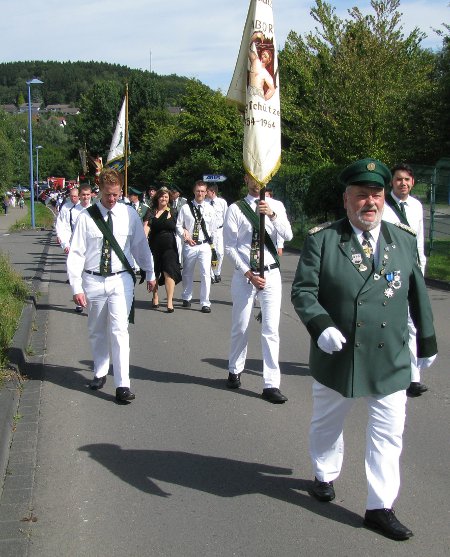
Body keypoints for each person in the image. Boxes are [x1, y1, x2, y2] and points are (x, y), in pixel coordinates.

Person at [291, 158, 437, 541]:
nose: (370, 202)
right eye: (361, 195)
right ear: (346, 200)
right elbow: (303, 290)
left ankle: (380, 506)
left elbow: (417, 293)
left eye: (376, 194)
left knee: (389, 434)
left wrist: (427, 339)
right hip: (339, 355)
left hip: (389, 356)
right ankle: (324, 473)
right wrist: (320, 325)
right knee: (327, 424)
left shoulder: (402, 239)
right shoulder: (323, 240)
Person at [67, 168, 156, 403]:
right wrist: (76, 286)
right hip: (93, 279)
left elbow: (140, 246)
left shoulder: (129, 215)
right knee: (97, 329)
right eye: (108, 194)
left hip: (120, 280)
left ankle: (123, 384)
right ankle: (99, 370)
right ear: (100, 191)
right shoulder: (86, 217)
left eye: (116, 194)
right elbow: (76, 254)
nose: (112, 199)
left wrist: (150, 272)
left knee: (120, 331)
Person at [223, 173, 293, 403]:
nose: (257, 183)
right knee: (241, 325)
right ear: (245, 180)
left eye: (260, 179)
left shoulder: (276, 205)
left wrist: (271, 215)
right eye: (252, 178)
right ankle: (235, 369)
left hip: (271, 273)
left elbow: (288, 235)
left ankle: (271, 384)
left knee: (271, 330)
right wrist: (248, 273)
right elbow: (230, 246)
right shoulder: (236, 208)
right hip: (246, 274)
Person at [382, 163, 428, 397]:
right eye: (399, 179)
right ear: (392, 182)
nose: (403, 183)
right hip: (388, 272)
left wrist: (421, 269)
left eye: (407, 180)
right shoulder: (383, 205)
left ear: (413, 182)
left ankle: (413, 377)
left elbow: (418, 241)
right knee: (387, 322)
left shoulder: (417, 207)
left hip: (412, 271)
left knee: (411, 323)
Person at [176, 180, 216, 313]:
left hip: (204, 245)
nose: (200, 193)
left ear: (206, 193)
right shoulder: (186, 208)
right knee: (187, 272)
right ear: (194, 191)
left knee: (206, 274)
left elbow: (213, 229)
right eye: (198, 191)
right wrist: (184, 235)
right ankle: (186, 297)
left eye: (203, 191)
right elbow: (178, 225)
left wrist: (212, 246)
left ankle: (205, 302)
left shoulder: (210, 209)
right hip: (190, 245)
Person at [143, 187, 181, 313]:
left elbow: (180, 226)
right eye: (161, 196)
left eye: (166, 197)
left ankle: (169, 301)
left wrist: (186, 233)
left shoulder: (174, 212)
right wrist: (142, 240)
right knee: (155, 271)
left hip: (169, 246)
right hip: (154, 245)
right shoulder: (151, 212)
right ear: (157, 198)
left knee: (169, 271)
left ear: (169, 198)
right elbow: (146, 228)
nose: (164, 199)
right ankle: (155, 296)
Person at [56, 184, 92, 313]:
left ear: (91, 195)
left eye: (88, 195)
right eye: (83, 195)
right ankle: (79, 300)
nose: (85, 197)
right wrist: (65, 244)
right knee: (77, 273)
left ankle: (91, 300)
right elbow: (64, 227)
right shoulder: (71, 210)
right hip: (76, 246)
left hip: (91, 248)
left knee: (90, 275)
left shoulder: (95, 209)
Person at [206, 183, 228, 283]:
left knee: (220, 253)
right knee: (210, 252)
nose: (205, 193)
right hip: (209, 231)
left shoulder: (222, 202)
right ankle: (210, 274)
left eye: (207, 191)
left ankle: (217, 272)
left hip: (220, 230)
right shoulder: (205, 202)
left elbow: (226, 217)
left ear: (213, 192)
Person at [248, 31, 276, 101]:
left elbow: (272, 89)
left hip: (258, 93)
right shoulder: (255, 60)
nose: (263, 56)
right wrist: (255, 36)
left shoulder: (266, 73)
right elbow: (247, 49)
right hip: (250, 91)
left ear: (269, 60)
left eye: (265, 56)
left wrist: (264, 98)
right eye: (263, 54)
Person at [265, 186, 286, 256]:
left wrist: (280, 245)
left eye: (267, 197)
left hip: (271, 242)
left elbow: (280, 228)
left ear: (271, 197)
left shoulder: (276, 208)